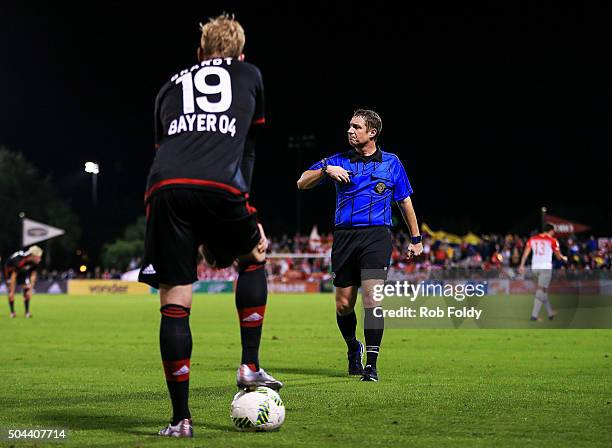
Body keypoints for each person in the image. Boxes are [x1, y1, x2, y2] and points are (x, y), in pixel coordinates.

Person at [138, 14, 281, 438]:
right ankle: (249, 366)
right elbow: (248, 150)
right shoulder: (250, 74)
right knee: (253, 255)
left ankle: (180, 420)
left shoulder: (167, 88)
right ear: (241, 53)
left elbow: (169, 150)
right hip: (220, 184)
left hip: (163, 187)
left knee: (176, 297)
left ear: (199, 53)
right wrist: (246, 211)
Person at [297, 109, 423, 382]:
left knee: (373, 299)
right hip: (344, 238)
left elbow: (405, 201)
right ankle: (354, 346)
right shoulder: (337, 161)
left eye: (356, 127)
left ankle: (372, 365)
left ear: (372, 132)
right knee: (343, 305)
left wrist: (416, 239)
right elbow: (301, 182)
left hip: (376, 237)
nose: (350, 131)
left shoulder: (391, 163)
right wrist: (324, 169)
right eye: (349, 126)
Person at [518, 224, 568, 321]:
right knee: (541, 290)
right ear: (551, 231)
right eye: (553, 231)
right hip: (545, 268)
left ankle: (550, 312)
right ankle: (534, 315)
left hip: (535, 267)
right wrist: (564, 258)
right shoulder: (553, 241)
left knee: (543, 290)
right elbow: (558, 257)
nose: (553, 233)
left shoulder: (532, 239)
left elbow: (525, 253)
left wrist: (522, 265)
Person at [4, 245, 43, 318]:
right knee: (11, 292)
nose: (39, 259)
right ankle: (12, 312)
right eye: (38, 257)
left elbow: (33, 275)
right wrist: (12, 290)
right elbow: (14, 275)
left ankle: (27, 312)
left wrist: (30, 289)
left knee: (27, 289)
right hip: (10, 271)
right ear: (32, 255)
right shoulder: (19, 260)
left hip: (22, 271)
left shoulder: (34, 262)